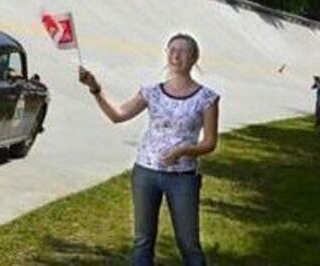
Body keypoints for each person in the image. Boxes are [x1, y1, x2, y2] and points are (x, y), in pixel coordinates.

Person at [78, 33, 219, 266]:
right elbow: (118, 115)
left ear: (194, 58)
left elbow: (210, 142)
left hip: (182, 178)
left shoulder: (207, 98)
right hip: (145, 173)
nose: (176, 55)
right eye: (172, 49)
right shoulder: (151, 92)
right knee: (143, 242)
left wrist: (183, 151)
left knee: (188, 243)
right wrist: (95, 88)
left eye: (183, 51)